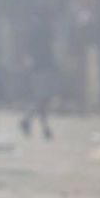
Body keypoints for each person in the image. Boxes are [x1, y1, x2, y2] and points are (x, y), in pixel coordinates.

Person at [19, 11, 61, 140]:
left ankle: (33, 123)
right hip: (43, 68)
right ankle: (39, 126)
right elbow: (47, 50)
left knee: (43, 99)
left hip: (39, 68)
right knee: (43, 98)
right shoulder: (42, 31)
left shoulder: (35, 31)